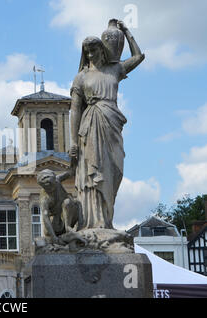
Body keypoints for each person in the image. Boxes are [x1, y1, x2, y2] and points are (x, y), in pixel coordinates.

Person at [69, 20, 144, 230]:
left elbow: (139, 57)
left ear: (102, 49)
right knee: (93, 175)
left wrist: (127, 32)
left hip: (112, 124)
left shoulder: (114, 70)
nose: (91, 55)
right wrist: (73, 141)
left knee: (114, 171)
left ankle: (107, 221)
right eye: (87, 52)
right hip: (91, 125)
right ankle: (94, 223)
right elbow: (75, 109)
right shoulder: (81, 77)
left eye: (94, 50)